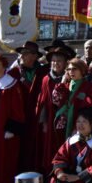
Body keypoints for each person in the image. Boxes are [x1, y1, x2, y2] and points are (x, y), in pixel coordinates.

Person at [48, 58, 92, 168]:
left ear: (82, 70)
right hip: (62, 126)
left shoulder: (89, 86)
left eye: (74, 69)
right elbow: (55, 100)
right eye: (69, 69)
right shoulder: (66, 85)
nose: (71, 72)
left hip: (79, 128)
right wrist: (62, 82)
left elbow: (91, 106)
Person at [35, 40, 77, 174]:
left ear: (66, 63)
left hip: (67, 119)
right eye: (53, 61)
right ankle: (51, 174)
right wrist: (44, 121)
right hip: (51, 118)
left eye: (59, 61)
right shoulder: (46, 79)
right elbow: (42, 101)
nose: (55, 63)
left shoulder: (72, 79)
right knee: (49, 148)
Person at [0, 53, 25, 183]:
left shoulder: (11, 85)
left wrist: (12, 129)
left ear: (4, 68)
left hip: (3, 131)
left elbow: (18, 109)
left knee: (3, 161)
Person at [9, 40, 49, 172]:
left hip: (38, 117)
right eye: (23, 53)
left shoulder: (44, 72)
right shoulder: (13, 73)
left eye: (30, 54)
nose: (25, 56)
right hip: (19, 117)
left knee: (37, 146)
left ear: (35, 56)